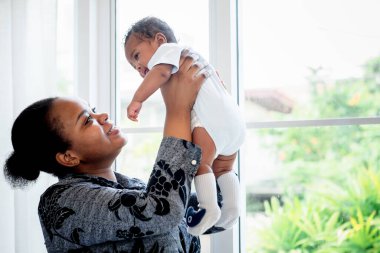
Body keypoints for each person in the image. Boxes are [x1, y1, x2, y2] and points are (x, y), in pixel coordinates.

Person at [3, 54, 215, 252]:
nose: (102, 115)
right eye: (87, 120)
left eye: (93, 109)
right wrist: (178, 109)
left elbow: (200, 212)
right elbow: (161, 211)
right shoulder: (61, 200)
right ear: (68, 157)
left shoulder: (132, 186)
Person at [124, 16, 246, 235]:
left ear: (159, 40)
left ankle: (208, 209)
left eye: (137, 56)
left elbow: (160, 73)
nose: (139, 67)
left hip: (211, 121)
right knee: (224, 168)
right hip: (234, 121)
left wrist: (137, 99)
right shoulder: (194, 58)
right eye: (134, 67)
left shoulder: (169, 52)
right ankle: (232, 209)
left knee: (200, 164)